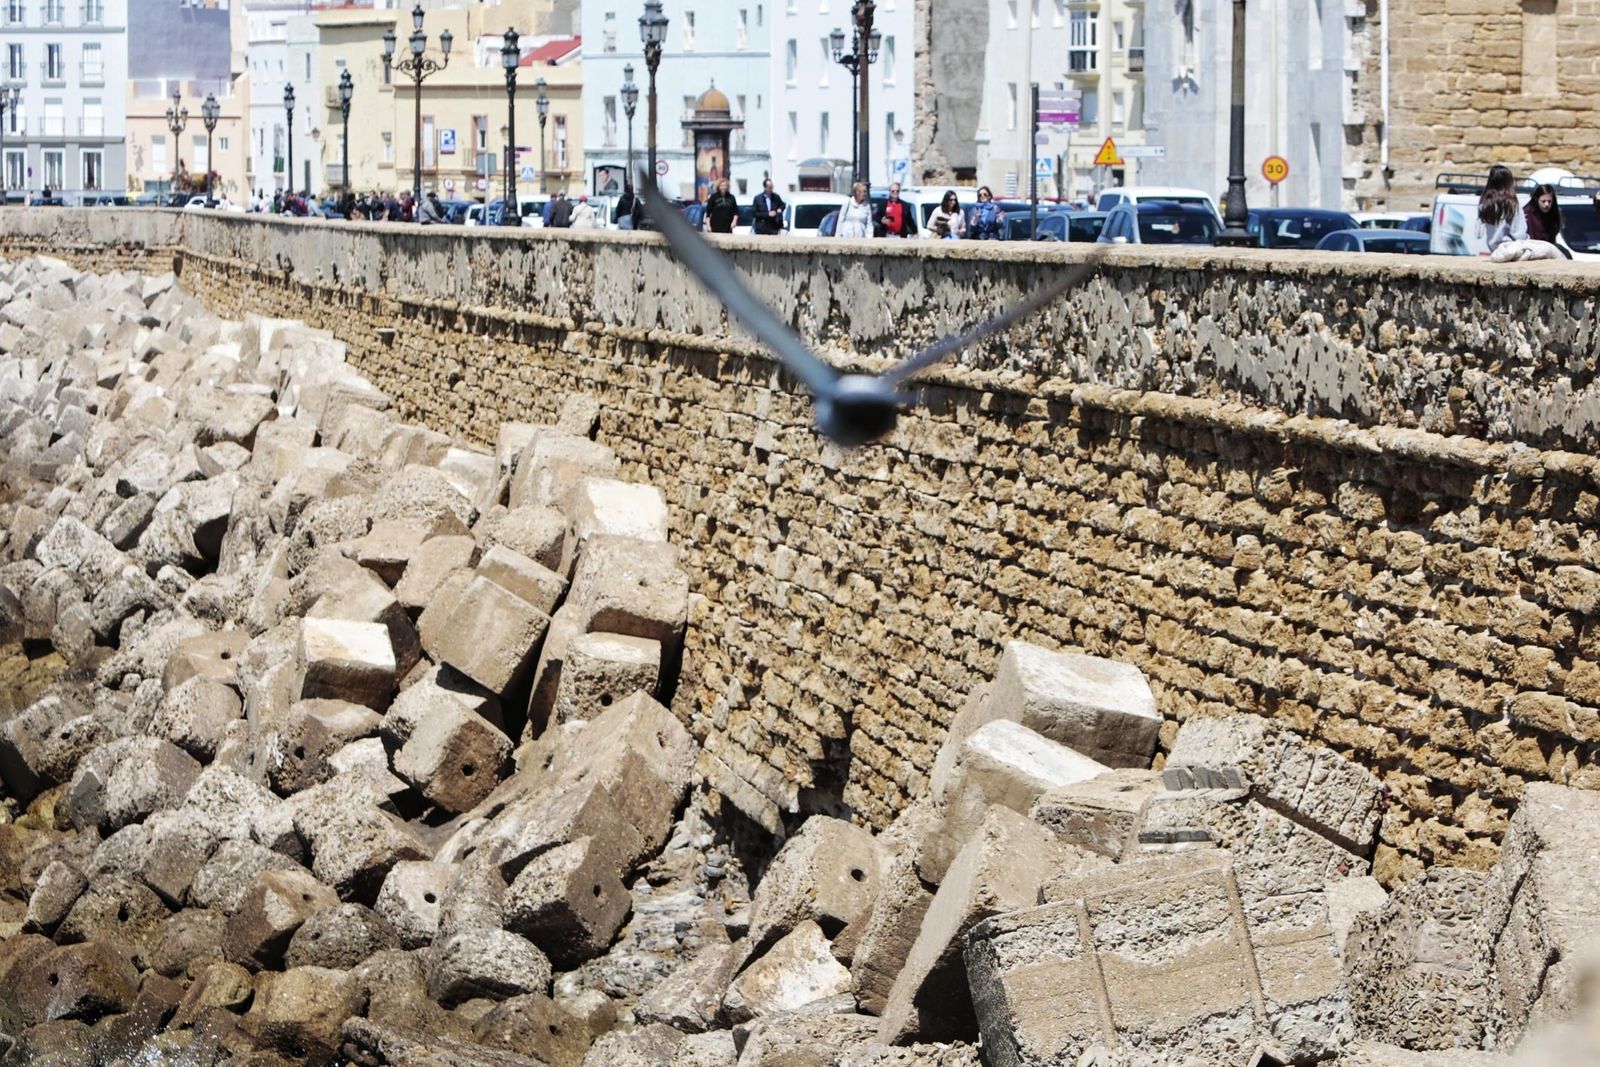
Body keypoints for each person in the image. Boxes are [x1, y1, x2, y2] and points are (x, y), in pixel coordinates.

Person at [1476, 164, 1526, 253]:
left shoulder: (1484, 204)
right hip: (1511, 249)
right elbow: (1519, 232)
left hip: (1493, 250)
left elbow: (1479, 230)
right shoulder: (1512, 203)